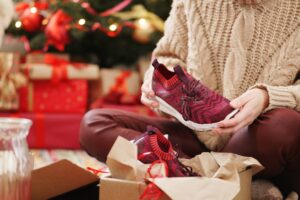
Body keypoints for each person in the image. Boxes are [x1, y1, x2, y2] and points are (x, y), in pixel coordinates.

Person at [80, 0, 300, 196]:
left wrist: (268, 97)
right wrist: (159, 81)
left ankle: (197, 180)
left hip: (260, 143)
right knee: (94, 124)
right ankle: (217, 182)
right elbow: (169, 57)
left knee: (285, 126)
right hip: (195, 142)